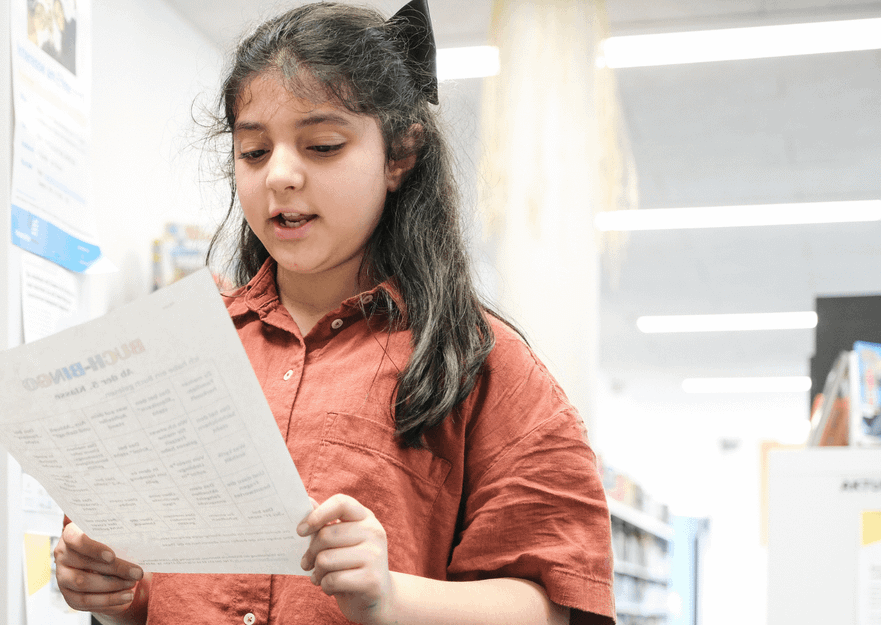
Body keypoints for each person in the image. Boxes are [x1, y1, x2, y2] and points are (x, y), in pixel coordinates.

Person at [54, 1, 615, 623]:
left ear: (399, 154)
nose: (281, 177)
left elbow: (552, 607)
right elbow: (149, 596)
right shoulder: (180, 348)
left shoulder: (481, 363)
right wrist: (108, 588)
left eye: (321, 146)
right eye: (254, 152)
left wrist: (389, 597)